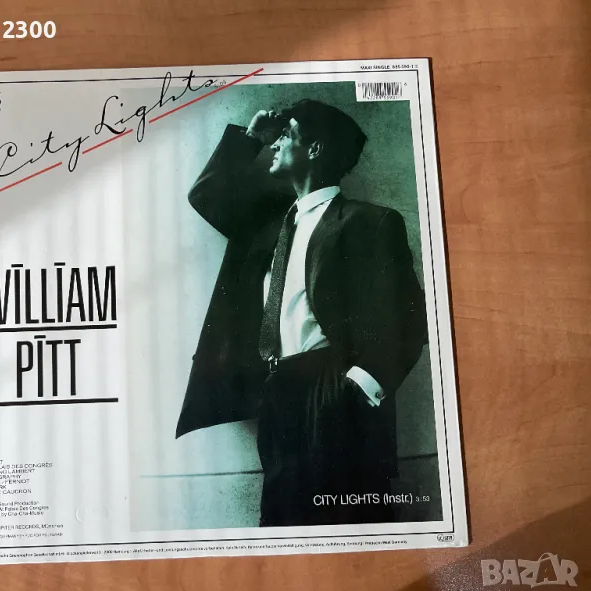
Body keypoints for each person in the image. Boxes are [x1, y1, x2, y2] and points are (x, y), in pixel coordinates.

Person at [175, 99, 428, 527]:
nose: (274, 145)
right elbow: (206, 195)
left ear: (314, 149)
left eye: (285, 135)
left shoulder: (369, 222)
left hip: (334, 384)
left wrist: (358, 389)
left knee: (350, 523)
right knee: (282, 521)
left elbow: (409, 320)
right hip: (277, 391)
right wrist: (251, 137)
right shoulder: (267, 223)